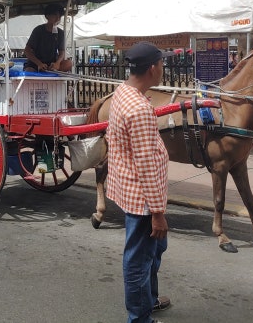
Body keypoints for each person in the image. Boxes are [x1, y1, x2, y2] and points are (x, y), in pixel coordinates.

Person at [106, 41, 173, 323]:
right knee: (138, 260)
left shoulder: (123, 93)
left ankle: (150, 299)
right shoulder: (140, 109)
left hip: (132, 190)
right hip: (144, 202)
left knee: (155, 250)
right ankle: (139, 318)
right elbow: (146, 166)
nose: (163, 69)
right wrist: (157, 214)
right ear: (153, 68)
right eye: (162, 64)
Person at [23, 3, 72, 72]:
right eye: (55, 15)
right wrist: (39, 64)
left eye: (59, 16)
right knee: (29, 70)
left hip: (52, 64)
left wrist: (57, 63)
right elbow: (27, 51)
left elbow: (62, 52)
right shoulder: (38, 30)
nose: (57, 19)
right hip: (35, 63)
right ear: (47, 16)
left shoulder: (60, 33)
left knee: (69, 63)